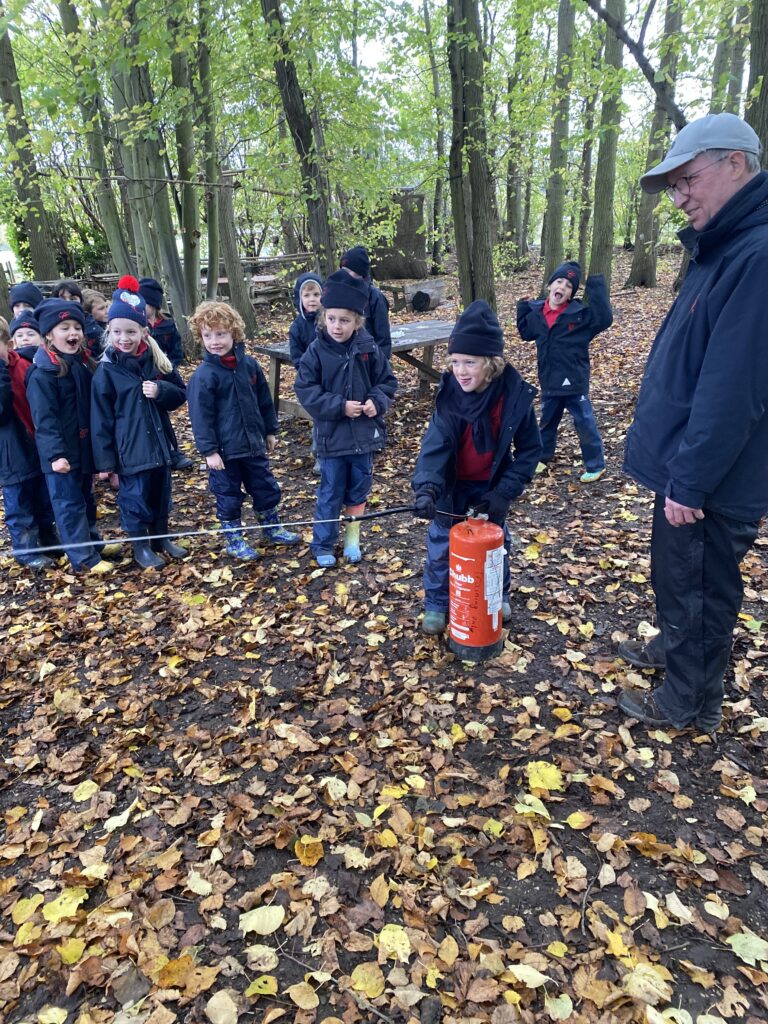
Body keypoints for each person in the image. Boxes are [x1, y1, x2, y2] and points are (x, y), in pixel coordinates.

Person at [617, 112, 768, 734]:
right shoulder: (722, 245)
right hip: (688, 463)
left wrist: (692, 479)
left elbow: (733, 387)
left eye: (686, 182)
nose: (679, 199)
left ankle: (688, 702)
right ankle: (676, 653)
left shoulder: (757, 255)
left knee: (700, 584)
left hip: (712, 477)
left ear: (735, 163)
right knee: (676, 573)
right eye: (673, 188)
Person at [411, 300, 541, 634]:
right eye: (455, 362)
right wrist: (427, 489)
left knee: (496, 546)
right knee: (441, 546)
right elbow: (434, 449)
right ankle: (438, 604)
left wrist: (503, 493)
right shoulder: (449, 399)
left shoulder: (513, 398)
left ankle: (495, 596)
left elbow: (530, 450)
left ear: (492, 363)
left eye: (470, 362)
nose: (461, 370)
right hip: (452, 488)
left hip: (491, 487)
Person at [295, 270, 397, 566]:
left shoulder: (369, 349)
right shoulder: (315, 352)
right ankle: (323, 543)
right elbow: (306, 389)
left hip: (363, 439)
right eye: (331, 319)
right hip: (331, 439)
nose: (337, 326)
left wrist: (375, 402)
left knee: (358, 491)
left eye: (344, 320)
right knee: (330, 491)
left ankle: (352, 539)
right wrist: (340, 406)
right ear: (323, 318)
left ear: (357, 322)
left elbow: (387, 382)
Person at [187, 300, 299, 560]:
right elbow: (200, 417)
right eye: (208, 335)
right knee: (227, 495)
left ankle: (271, 527)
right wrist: (209, 451)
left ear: (234, 333)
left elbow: (264, 400)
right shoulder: (204, 376)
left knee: (265, 487)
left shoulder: (249, 366)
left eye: (220, 334)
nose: (214, 341)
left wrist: (270, 430)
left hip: (252, 444)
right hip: (224, 453)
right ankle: (234, 538)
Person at [91, 276, 188, 570]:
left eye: (131, 331)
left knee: (161, 495)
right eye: (118, 332)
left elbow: (180, 394)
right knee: (135, 499)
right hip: (129, 452)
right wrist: (106, 464)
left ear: (143, 332)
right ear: (109, 331)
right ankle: (141, 546)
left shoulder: (157, 362)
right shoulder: (106, 373)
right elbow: (100, 421)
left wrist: (162, 391)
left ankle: (161, 538)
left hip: (159, 446)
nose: (124, 338)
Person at [25, 299, 112, 573]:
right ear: (49, 334)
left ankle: (94, 544)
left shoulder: (82, 364)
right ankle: (83, 558)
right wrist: (55, 455)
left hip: (82, 449)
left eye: (77, 327)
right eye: (64, 328)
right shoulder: (42, 374)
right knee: (68, 505)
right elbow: (45, 420)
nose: (73, 333)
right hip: (61, 456)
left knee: (86, 500)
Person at [516, 261, 612, 483]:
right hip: (549, 379)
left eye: (569, 286)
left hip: (574, 380)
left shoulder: (579, 315)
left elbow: (604, 319)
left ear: (571, 294)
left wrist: (595, 285)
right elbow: (525, 333)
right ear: (550, 286)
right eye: (559, 282)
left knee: (584, 420)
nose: (563, 287)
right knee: (547, 421)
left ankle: (596, 464)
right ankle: (543, 456)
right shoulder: (537, 312)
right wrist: (522, 307)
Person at [0, 320, 59, 569]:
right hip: (9, 453)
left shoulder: (23, 365)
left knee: (43, 497)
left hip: (35, 443)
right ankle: (26, 550)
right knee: (19, 504)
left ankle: (48, 540)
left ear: (8, 344)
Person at [138, 277, 193, 470]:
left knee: (162, 417)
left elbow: (176, 351)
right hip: (141, 376)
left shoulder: (167, 325)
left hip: (162, 375)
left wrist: (168, 368)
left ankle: (172, 451)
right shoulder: (135, 326)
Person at [289, 271, 324, 475]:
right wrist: (310, 369)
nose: (312, 300)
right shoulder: (297, 327)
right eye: (307, 295)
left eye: (316, 295)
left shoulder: (329, 320)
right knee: (319, 415)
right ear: (300, 298)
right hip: (311, 380)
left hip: (332, 376)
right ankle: (319, 453)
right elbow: (297, 357)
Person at [339, 246, 392, 360]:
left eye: (348, 271)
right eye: (342, 271)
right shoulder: (340, 294)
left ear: (359, 273)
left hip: (369, 359)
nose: (344, 275)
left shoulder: (375, 297)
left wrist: (379, 365)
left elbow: (383, 339)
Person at [51, 279, 105, 359]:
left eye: (73, 299)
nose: (68, 302)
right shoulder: (50, 326)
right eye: (62, 298)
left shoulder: (93, 328)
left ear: (81, 301)